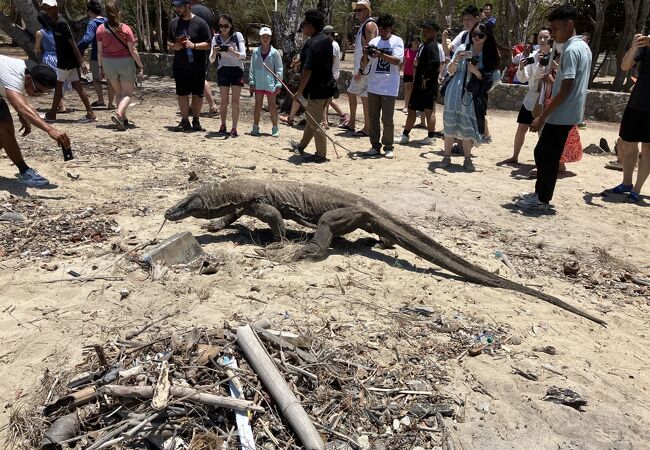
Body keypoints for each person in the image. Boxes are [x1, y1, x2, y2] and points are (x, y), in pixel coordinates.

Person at [515, 4, 591, 211]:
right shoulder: (583, 47)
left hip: (561, 113)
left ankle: (541, 199)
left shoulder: (571, 50)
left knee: (545, 155)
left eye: (556, 28)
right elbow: (569, 82)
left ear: (569, 25)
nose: (552, 34)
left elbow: (566, 88)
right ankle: (540, 194)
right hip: (568, 112)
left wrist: (542, 117)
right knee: (544, 153)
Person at [0, 55, 70, 187]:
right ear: (28, 79)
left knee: (4, 132)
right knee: (5, 127)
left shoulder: (27, 71)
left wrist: (23, 116)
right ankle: (24, 171)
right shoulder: (13, 76)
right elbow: (21, 106)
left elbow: (19, 101)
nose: (37, 95)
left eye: (42, 93)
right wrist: (51, 129)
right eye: (37, 90)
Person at [440, 21, 500, 171]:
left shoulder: (489, 55)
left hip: (471, 95)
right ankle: (446, 157)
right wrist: (456, 60)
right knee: (449, 125)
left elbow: (494, 79)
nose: (476, 37)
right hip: (454, 91)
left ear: (487, 37)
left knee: (467, 128)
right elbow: (451, 71)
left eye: (480, 35)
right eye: (474, 34)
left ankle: (467, 159)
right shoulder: (463, 48)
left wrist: (476, 72)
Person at [606, 33, 650, 202]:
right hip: (636, 104)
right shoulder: (645, 47)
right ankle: (626, 183)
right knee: (628, 144)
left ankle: (637, 189)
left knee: (647, 149)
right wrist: (634, 46)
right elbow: (625, 66)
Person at [288, 9, 335, 163]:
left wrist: (299, 91)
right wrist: (299, 61)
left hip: (315, 90)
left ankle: (321, 154)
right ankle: (301, 146)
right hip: (326, 88)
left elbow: (308, 70)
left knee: (316, 123)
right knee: (311, 118)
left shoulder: (313, 43)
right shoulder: (326, 40)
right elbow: (315, 61)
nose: (303, 28)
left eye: (305, 24)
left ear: (311, 26)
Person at [501, 28, 551, 164]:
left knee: (543, 131)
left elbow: (547, 76)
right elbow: (524, 78)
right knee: (521, 127)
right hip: (531, 97)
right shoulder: (533, 56)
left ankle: (541, 162)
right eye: (540, 37)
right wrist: (521, 68)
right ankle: (514, 156)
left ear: (551, 39)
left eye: (545, 37)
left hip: (546, 98)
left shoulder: (555, 56)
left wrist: (542, 64)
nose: (542, 40)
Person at [41, 0, 96, 123]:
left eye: (49, 8)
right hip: (67, 62)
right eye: (46, 9)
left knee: (58, 87)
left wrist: (81, 61)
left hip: (66, 62)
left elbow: (72, 43)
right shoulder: (54, 22)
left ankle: (52, 114)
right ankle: (90, 113)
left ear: (55, 7)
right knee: (78, 88)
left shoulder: (61, 23)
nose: (48, 11)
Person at [360, 14, 404, 159]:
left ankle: (388, 146)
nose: (382, 31)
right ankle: (374, 146)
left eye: (385, 28)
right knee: (372, 118)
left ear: (391, 28)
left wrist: (380, 54)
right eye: (380, 28)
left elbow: (397, 61)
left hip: (389, 87)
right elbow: (364, 64)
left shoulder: (397, 41)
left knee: (387, 119)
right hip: (373, 86)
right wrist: (366, 54)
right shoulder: (374, 41)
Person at [96, 0, 144, 131]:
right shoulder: (125, 28)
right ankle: (118, 114)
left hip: (107, 62)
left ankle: (123, 119)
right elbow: (132, 50)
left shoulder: (100, 29)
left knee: (119, 92)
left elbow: (99, 51)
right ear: (119, 12)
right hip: (125, 62)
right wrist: (140, 65)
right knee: (128, 94)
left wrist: (100, 67)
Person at [167, 0, 211, 132]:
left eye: (180, 7)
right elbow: (168, 41)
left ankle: (196, 120)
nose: (177, 10)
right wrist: (173, 46)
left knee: (197, 94)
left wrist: (194, 46)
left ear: (187, 6)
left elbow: (209, 43)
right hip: (180, 65)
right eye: (175, 7)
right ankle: (184, 120)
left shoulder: (200, 23)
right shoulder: (174, 23)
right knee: (182, 93)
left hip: (197, 66)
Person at [398, 20, 441, 147]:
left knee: (428, 111)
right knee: (412, 109)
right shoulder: (424, 45)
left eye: (427, 30)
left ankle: (431, 136)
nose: (424, 32)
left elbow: (435, 64)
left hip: (426, 85)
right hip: (419, 84)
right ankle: (406, 135)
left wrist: (425, 77)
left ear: (434, 32)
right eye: (424, 30)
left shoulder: (432, 46)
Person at [341, 0, 377, 136]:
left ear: (367, 11)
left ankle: (366, 127)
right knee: (357, 94)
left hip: (365, 68)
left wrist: (362, 69)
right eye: (356, 10)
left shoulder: (369, 25)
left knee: (362, 96)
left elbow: (370, 47)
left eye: (360, 10)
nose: (357, 13)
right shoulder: (364, 25)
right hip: (362, 67)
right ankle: (354, 123)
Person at [209, 14, 246, 137]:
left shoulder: (237, 36)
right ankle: (223, 124)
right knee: (224, 101)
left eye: (226, 26)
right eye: (221, 26)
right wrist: (214, 52)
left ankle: (234, 127)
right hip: (223, 69)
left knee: (235, 101)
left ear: (231, 25)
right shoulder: (216, 38)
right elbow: (211, 60)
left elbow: (243, 55)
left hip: (237, 69)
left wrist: (232, 51)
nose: (223, 28)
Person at [77, 0, 113, 108]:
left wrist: (77, 48)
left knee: (96, 79)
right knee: (111, 80)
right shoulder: (108, 21)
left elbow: (87, 39)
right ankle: (111, 103)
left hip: (96, 56)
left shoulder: (92, 23)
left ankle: (100, 100)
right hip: (110, 55)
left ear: (89, 11)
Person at [248, 26, 283, 138]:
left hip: (270, 83)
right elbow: (252, 67)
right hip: (258, 83)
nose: (265, 39)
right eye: (263, 36)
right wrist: (252, 81)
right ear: (260, 38)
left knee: (272, 106)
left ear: (271, 38)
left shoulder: (275, 52)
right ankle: (255, 126)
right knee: (257, 105)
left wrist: (278, 83)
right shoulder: (255, 52)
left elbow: (279, 69)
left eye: (267, 37)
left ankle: (275, 127)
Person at [35, 11, 68, 113]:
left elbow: (37, 48)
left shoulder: (40, 33)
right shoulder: (58, 30)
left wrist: (38, 54)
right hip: (61, 56)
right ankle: (60, 104)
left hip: (49, 58)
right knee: (61, 81)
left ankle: (62, 106)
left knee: (53, 82)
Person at [190, 0, 218, 116]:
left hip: (196, 48)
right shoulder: (207, 11)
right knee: (196, 77)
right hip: (207, 46)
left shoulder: (193, 11)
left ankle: (212, 106)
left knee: (199, 77)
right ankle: (192, 106)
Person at [322, 25, 348, 128]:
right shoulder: (335, 44)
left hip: (330, 75)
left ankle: (325, 121)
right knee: (328, 100)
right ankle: (328, 119)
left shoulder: (331, 45)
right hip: (334, 75)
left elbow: (331, 61)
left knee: (325, 100)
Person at [402, 36, 420, 113]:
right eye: (415, 41)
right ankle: (406, 106)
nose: (417, 43)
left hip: (417, 73)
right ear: (411, 42)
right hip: (407, 72)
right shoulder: (406, 50)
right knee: (407, 88)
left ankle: (414, 106)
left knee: (415, 90)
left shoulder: (420, 52)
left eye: (418, 41)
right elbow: (403, 61)